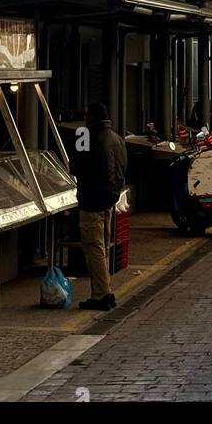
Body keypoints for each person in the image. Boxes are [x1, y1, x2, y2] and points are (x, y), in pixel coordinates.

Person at [74, 102, 127, 311]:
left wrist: (80, 137)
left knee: (94, 248)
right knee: (103, 247)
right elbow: (121, 168)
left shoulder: (87, 137)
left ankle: (101, 294)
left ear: (91, 118)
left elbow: (75, 167)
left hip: (91, 201)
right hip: (109, 201)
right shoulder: (117, 139)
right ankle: (104, 290)